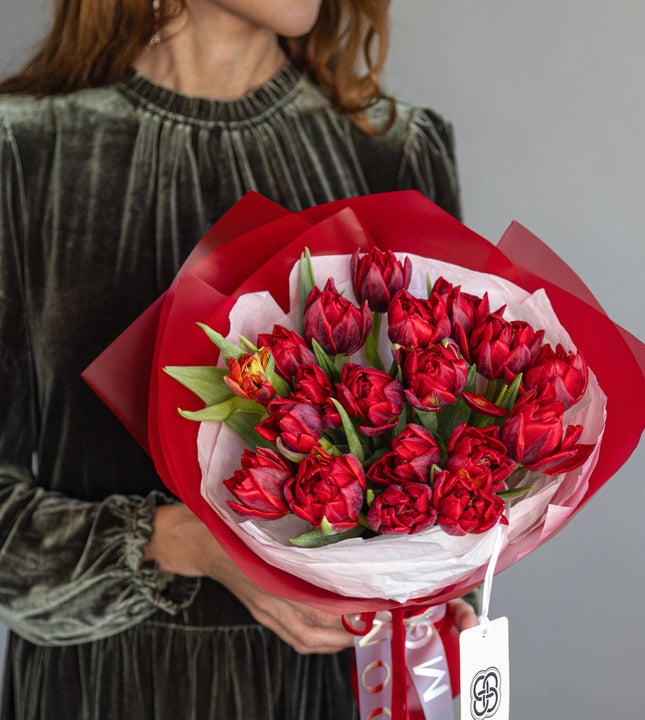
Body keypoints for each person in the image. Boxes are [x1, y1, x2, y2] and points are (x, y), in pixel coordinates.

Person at [0, 1, 475, 717]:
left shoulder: (393, 151)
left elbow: (446, 461)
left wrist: (439, 591)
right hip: (105, 690)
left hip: (332, 693)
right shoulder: (25, 154)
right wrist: (187, 544)